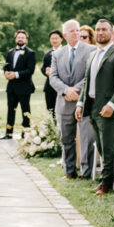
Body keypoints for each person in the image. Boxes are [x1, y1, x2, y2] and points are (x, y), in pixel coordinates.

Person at [75, 19, 114, 196]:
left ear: (112, 32)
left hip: (108, 108)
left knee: (108, 147)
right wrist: (80, 103)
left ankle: (106, 183)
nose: (100, 33)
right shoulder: (92, 54)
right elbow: (86, 81)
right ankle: (104, 180)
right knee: (100, 146)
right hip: (92, 106)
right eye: (97, 30)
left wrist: (112, 104)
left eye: (104, 30)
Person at [49, 20, 96, 179]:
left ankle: (86, 171)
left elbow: (90, 75)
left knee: (86, 138)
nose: (76, 33)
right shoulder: (57, 54)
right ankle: (70, 170)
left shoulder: (91, 50)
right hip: (64, 102)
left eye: (77, 30)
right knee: (66, 138)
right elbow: (53, 77)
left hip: (84, 101)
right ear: (64, 35)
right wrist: (65, 90)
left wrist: (76, 89)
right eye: (72, 31)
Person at [2, 30, 36, 139]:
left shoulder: (30, 53)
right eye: (18, 37)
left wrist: (15, 74)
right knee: (10, 110)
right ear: (15, 39)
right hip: (11, 87)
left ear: (26, 40)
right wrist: (6, 73)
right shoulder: (10, 52)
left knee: (25, 111)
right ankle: (9, 133)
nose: (20, 39)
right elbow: (6, 66)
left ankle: (25, 133)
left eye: (23, 37)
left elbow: (30, 70)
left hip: (24, 87)